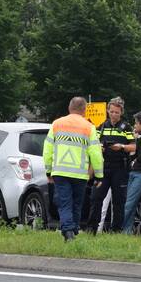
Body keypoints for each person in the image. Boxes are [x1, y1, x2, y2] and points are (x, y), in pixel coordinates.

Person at [43, 97, 103, 241]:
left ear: (69, 108)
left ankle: (70, 231)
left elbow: (47, 150)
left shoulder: (57, 124)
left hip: (60, 172)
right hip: (80, 174)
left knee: (64, 202)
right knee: (77, 203)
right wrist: (99, 175)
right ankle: (71, 229)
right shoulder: (89, 127)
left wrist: (48, 171)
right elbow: (95, 153)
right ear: (84, 110)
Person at [89, 97, 134, 233]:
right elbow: (93, 145)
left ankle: (116, 230)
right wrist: (100, 148)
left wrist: (121, 146)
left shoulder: (126, 127)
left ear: (121, 113)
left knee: (119, 201)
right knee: (96, 197)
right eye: (112, 112)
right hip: (103, 167)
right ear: (108, 111)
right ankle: (92, 229)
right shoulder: (101, 127)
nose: (114, 115)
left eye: (117, 112)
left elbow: (134, 147)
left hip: (120, 167)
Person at [121, 111, 141, 234]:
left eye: (136, 123)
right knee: (130, 203)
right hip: (135, 172)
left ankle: (122, 230)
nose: (134, 126)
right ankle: (127, 231)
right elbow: (135, 156)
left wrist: (135, 161)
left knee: (129, 203)